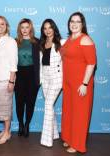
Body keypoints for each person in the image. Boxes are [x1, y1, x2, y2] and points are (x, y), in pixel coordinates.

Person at [60, 12, 97, 153]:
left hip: (80, 84)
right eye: (72, 21)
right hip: (68, 82)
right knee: (69, 111)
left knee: (79, 114)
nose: (74, 24)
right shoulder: (70, 38)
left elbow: (91, 64)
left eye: (78, 21)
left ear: (82, 24)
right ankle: (69, 138)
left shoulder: (85, 39)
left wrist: (85, 84)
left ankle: (77, 144)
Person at [0, 16, 18, 144]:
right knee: (0, 108)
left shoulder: (10, 41)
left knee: (6, 108)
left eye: (2, 24)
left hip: (6, 80)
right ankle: (5, 130)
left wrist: (11, 81)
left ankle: (7, 133)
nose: (0, 26)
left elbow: (13, 63)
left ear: (6, 26)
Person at [39, 19, 65, 147]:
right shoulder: (42, 43)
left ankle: (46, 140)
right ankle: (54, 134)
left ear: (54, 28)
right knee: (50, 106)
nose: (47, 30)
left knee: (48, 105)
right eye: (45, 28)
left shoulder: (61, 42)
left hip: (57, 77)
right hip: (45, 77)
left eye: (50, 28)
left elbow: (68, 60)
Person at [14, 18, 40, 137]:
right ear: (20, 29)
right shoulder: (15, 42)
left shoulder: (37, 42)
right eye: (22, 27)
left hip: (32, 74)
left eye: (27, 27)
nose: (24, 29)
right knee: (19, 102)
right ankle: (20, 124)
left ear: (31, 28)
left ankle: (27, 124)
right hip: (19, 74)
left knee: (30, 102)